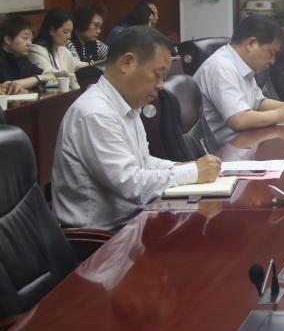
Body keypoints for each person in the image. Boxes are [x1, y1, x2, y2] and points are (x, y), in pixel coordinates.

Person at [52, 26, 222, 231]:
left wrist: (183, 167)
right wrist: (192, 172)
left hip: (132, 223)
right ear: (127, 62)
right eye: (157, 75)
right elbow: (130, 184)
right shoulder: (95, 113)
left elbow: (143, 161)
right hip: (100, 238)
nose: (161, 85)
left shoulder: (126, 105)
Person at [195, 15, 284, 150]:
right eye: (271, 52)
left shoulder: (242, 65)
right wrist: (280, 115)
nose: (272, 61)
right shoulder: (221, 67)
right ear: (251, 44)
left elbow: (258, 103)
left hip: (243, 143)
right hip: (221, 152)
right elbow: (239, 120)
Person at [28, 8, 88, 90]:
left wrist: (94, 65)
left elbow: (77, 64)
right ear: (52, 31)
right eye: (65, 32)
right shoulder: (36, 50)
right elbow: (47, 72)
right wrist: (65, 74)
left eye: (70, 32)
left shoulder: (62, 49)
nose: (69, 36)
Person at [0, 15, 52, 93]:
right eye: (25, 38)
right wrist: (38, 79)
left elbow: (47, 75)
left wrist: (39, 78)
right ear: (8, 40)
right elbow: (8, 86)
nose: (29, 43)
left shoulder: (21, 58)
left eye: (31, 39)